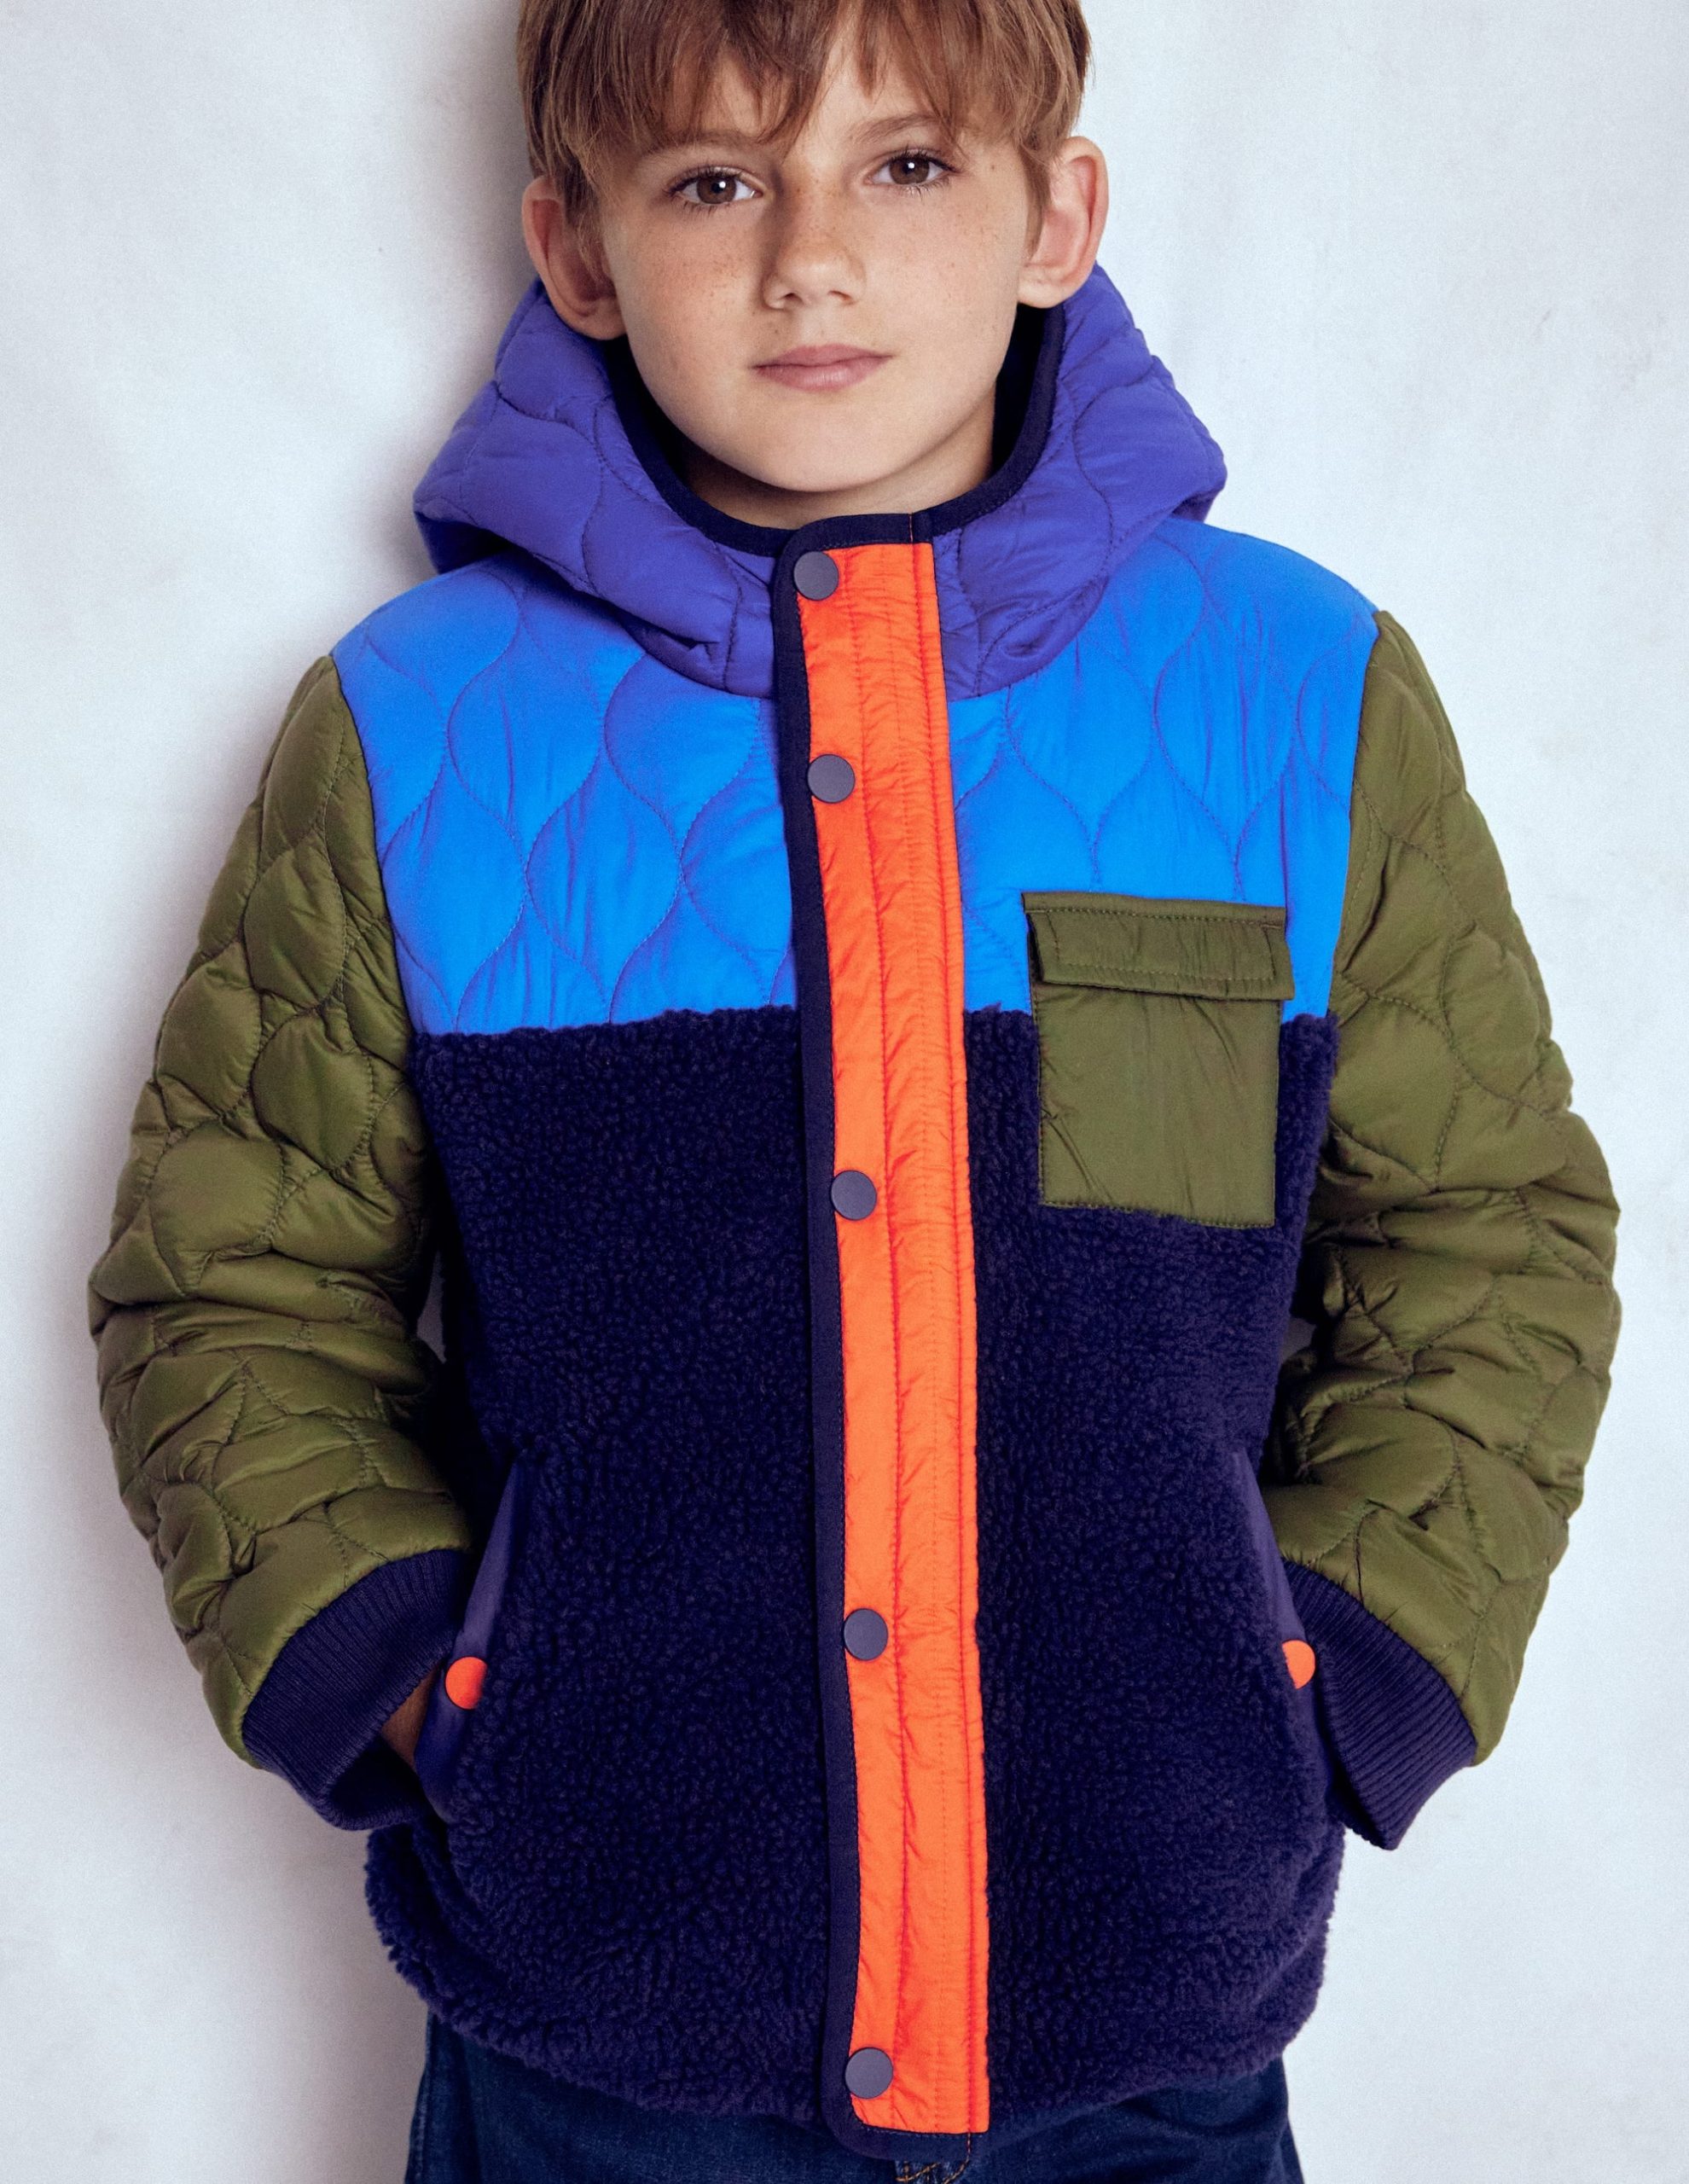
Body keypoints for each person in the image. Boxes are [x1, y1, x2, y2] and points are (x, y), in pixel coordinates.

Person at [87, 2, 1622, 2178]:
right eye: (716, 179)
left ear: (1056, 215)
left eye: (907, 165)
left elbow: (1486, 1229)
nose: (811, 256)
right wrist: (419, 1679)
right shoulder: (417, 734)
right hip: (608, 2041)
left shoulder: (1297, 694)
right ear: (578, 248)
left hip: (1139, 2023)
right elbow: (233, 1283)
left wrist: (1348, 1668)